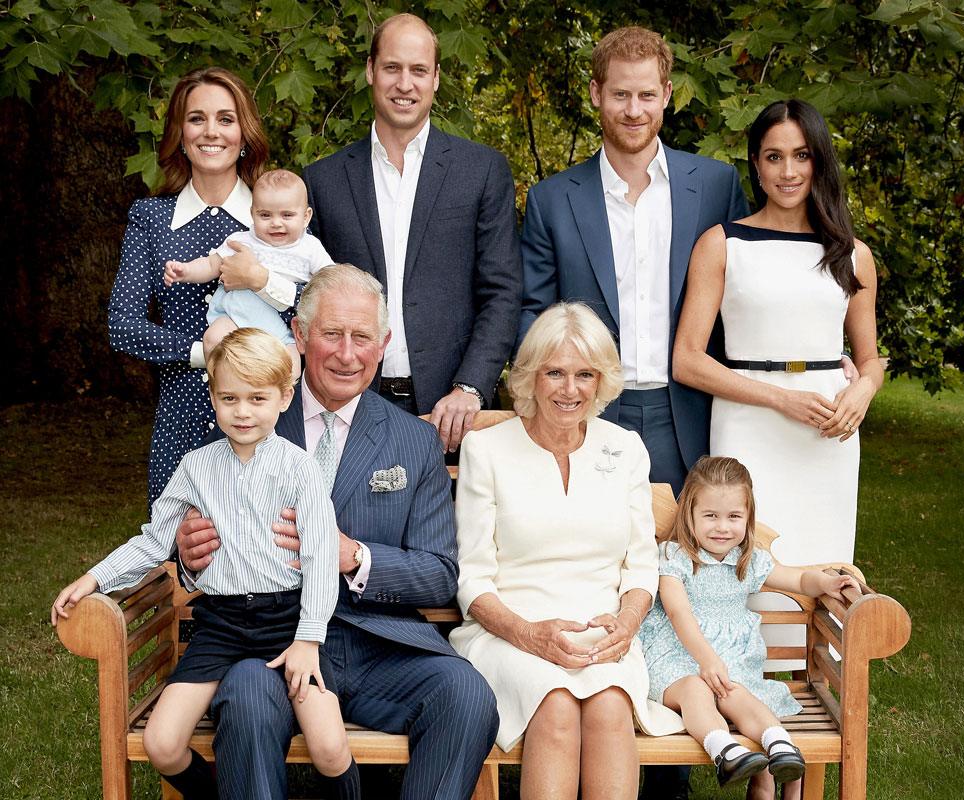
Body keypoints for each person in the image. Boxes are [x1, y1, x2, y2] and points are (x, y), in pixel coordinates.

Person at [176, 264, 499, 800]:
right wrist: (191, 556)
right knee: (248, 699)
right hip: (269, 644)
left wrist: (353, 556)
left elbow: (440, 575)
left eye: (362, 337)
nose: (347, 354)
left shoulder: (412, 442)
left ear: (383, 344)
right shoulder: (247, 418)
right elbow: (194, 545)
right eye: (331, 334)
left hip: (379, 644)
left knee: (465, 694)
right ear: (300, 336)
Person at [51, 328, 359, 800]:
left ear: (283, 397)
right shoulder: (196, 467)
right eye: (229, 397)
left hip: (288, 623)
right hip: (222, 626)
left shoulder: (301, 470)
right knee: (162, 743)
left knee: (330, 747)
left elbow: (319, 559)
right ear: (212, 396)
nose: (242, 411)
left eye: (258, 397)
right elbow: (154, 541)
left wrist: (308, 638)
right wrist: (94, 578)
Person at [449, 302, 684, 800]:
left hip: (603, 634)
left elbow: (642, 566)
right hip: (508, 633)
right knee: (554, 701)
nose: (569, 389)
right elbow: (471, 579)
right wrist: (529, 635)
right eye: (555, 372)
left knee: (610, 703)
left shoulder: (625, 448)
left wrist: (625, 625)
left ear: (601, 381)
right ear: (531, 375)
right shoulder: (485, 450)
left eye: (584, 374)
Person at [519, 26, 749, 497]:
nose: (633, 110)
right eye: (620, 94)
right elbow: (532, 312)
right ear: (596, 93)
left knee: (696, 561)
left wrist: (820, 361)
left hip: (692, 410)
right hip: (589, 411)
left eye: (646, 94)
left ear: (666, 94)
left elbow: (750, 294)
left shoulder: (715, 187)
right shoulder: (552, 200)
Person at [672, 98, 882, 571]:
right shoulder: (723, 244)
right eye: (774, 156)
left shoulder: (853, 256)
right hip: (747, 423)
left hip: (829, 432)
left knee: (824, 560)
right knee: (744, 563)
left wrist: (863, 391)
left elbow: (869, 360)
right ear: (756, 163)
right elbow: (686, 359)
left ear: (819, 161)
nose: (788, 171)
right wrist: (781, 399)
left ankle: (823, 647)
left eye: (802, 155)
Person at [299, 12, 522, 453]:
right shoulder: (322, 181)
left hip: (452, 411)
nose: (406, 83)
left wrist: (472, 388)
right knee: (344, 525)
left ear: (436, 78)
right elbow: (308, 296)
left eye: (419, 70)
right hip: (348, 404)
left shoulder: (481, 171)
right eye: (392, 68)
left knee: (448, 525)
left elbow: (502, 290)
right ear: (370, 71)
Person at [107, 67, 302, 508]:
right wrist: (207, 353)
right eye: (196, 119)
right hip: (184, 413)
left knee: (273, 553)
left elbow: (314, 313)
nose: (211, 131)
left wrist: (262, 281)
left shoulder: (278, 214)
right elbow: (122, 325)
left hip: (271, 417)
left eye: (225, 119)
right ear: (179, 132)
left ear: (244, 133)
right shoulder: (151, 219)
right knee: (182, 555)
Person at [638, 456, 859, 795]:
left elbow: (798, 578)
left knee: (737, 694)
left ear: (747, 518)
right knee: (698, 690)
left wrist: (826, 583)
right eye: (710, 516)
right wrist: (707, 660)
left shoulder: (748, 559)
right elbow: (679, 613)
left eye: (733, 517)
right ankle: (724, 750)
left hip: (731, 667)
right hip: (678, 659)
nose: (722, 527)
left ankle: (781, 746)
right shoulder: (675, 557)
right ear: (690, 516)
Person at [164, 169, 334, 381]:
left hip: (279, 329)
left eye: (287, 215)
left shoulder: (310, 248)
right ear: (252, 214)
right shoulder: (241, 240)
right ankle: (225, 389)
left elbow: (331, 281)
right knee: (213, 339)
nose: (276, 223)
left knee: (293, 369)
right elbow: (211, 265)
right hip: (235, 318)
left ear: (306, 216)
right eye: (265, 215)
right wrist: (186, 270)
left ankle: (273, 406)